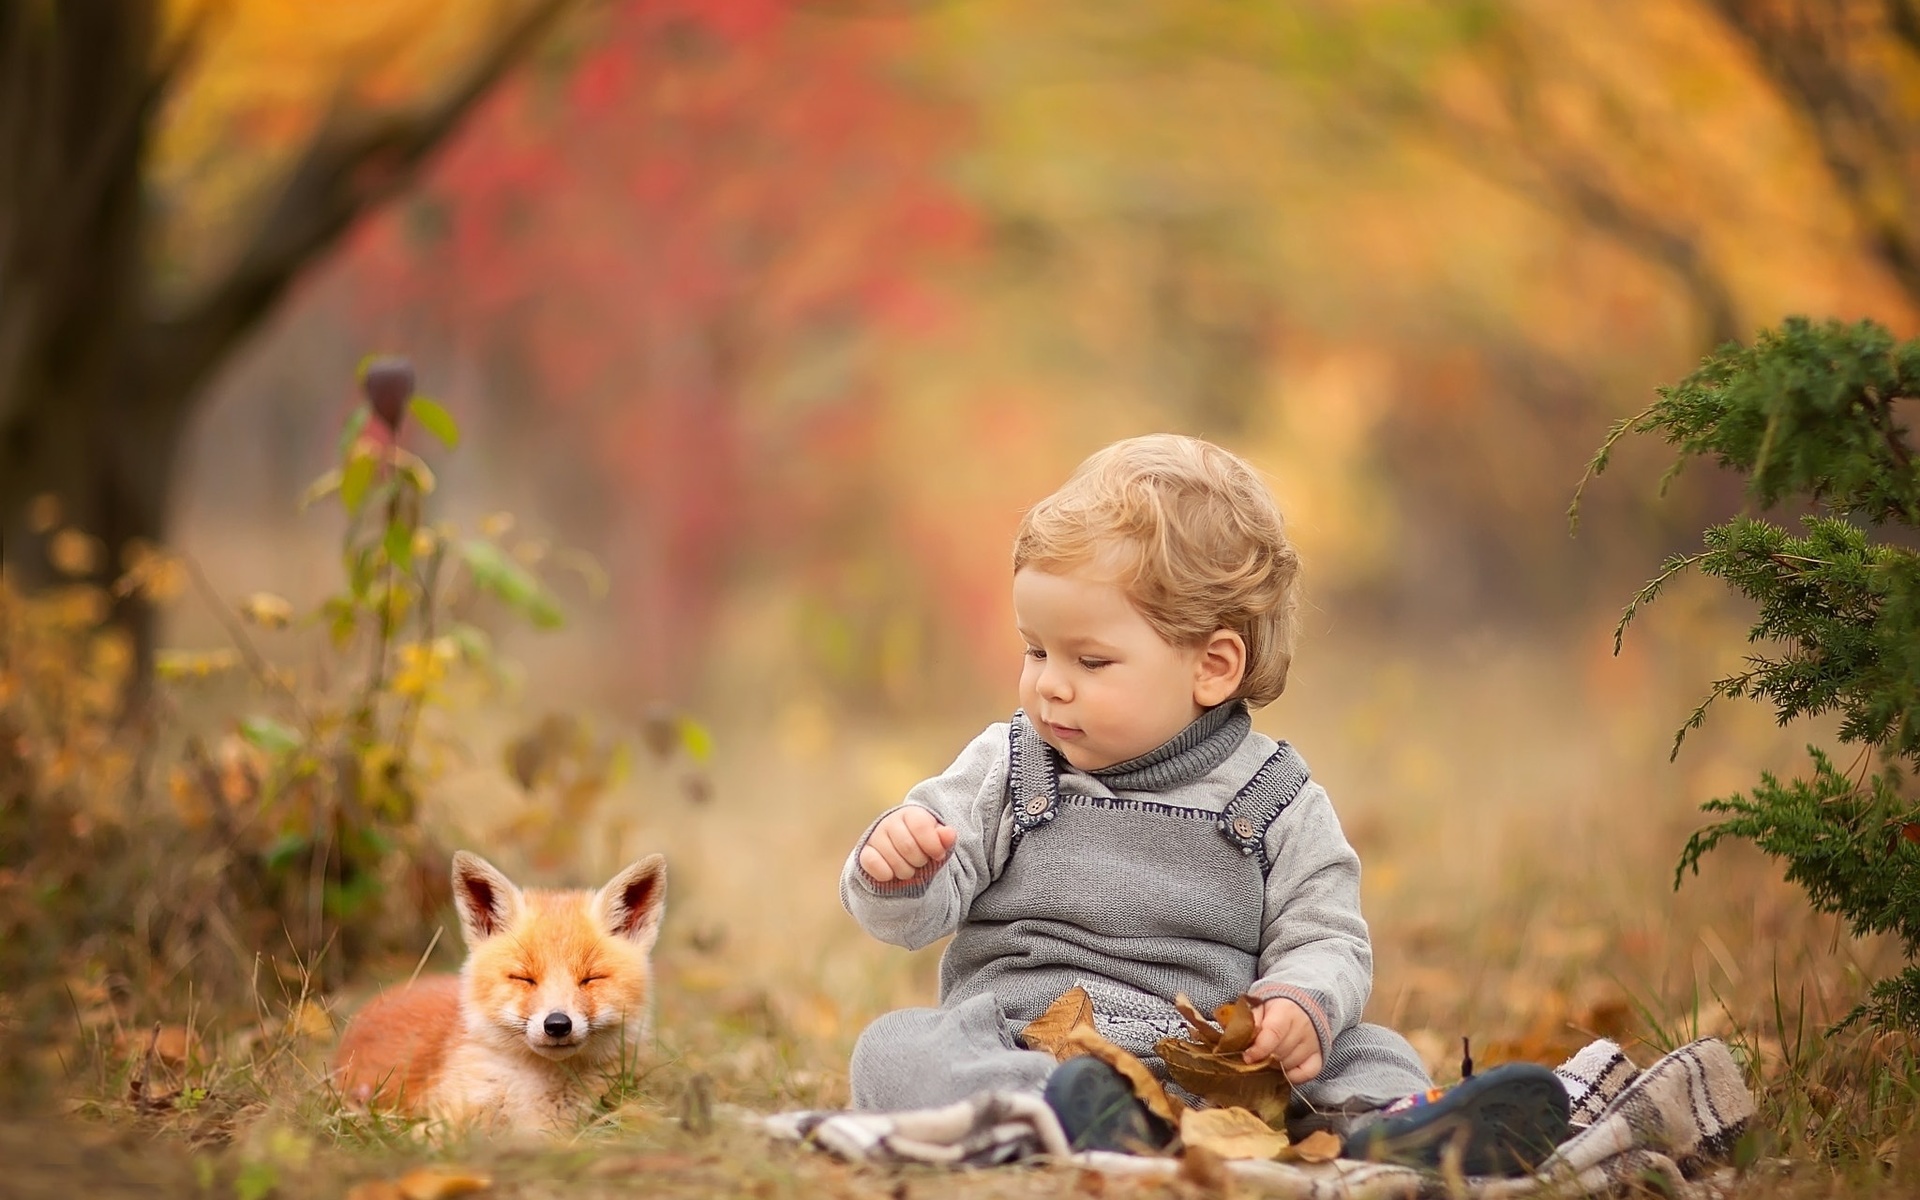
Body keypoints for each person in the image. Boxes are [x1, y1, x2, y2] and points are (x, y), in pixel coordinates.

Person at [839, 434, 1567, 1173]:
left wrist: (1298, 1006)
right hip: (1032, 1038)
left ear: (1213, 667)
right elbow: (912, 914)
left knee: (1368, 1048)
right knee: (893, 1047)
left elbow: (1327, 936)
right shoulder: (1011, 764)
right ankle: (1071, 1110)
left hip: (1213, 1065)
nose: (1049, 685)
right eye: (1036, 651)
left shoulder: (1276, 799)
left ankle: (1398, 1133)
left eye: (1090, 661)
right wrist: (902, 868)